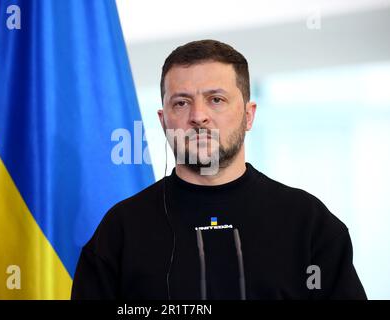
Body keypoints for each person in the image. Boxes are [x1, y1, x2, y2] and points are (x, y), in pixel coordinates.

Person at [71, 39, 366, 300]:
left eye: (216, 100)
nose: (199, 116)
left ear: (248, 116)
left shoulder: (310, 224)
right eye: (182, 102)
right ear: (163, 121)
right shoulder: (119, 232)